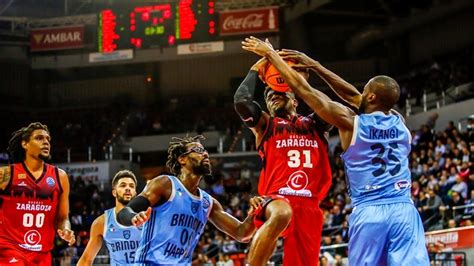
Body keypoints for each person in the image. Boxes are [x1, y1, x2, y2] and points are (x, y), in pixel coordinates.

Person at [242, 36, 430, 265]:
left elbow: (307, 91)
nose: (358, 93)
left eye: (365, 90)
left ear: (370, 96)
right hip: (404, 210)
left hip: (370, 211)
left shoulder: (351, 123)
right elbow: (354, 97)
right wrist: (315, 66)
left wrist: (271, 55)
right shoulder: (400, 122)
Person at [234, 46, 333, 265]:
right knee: (280, 212)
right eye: (268, 95)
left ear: (295, 99)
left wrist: (301, 83)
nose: (272, 96)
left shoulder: (315, 124)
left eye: (279, 92)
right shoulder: (266, 125)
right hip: (276, 198)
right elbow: (242, 102)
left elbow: (330, 107)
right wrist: (256, 68)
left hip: (309, 205)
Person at [117, 135, 262, 265]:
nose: (205, 153)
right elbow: (124, 213)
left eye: (205, 151)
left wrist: (254, 213)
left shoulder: (208, 202)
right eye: (198, 150)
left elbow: (242, 233)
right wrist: (134, 217)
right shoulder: (165, 184)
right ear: (182, 159)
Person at [0, 122, 75, 265]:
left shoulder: (61, 177)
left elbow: (63, 217)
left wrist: (66, 229)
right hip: (9, 249)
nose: (46, 142)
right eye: (39, 138)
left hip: (42, 253)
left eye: (48, 139)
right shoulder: (6, 174)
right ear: (25, 144)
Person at [77, 170, 142, 265]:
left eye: (131, 186)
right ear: (114, 192)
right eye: (123, 185)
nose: (128, 188)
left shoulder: (145, 217)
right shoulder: (101, 222)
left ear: (135, 192)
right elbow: (86, 259)